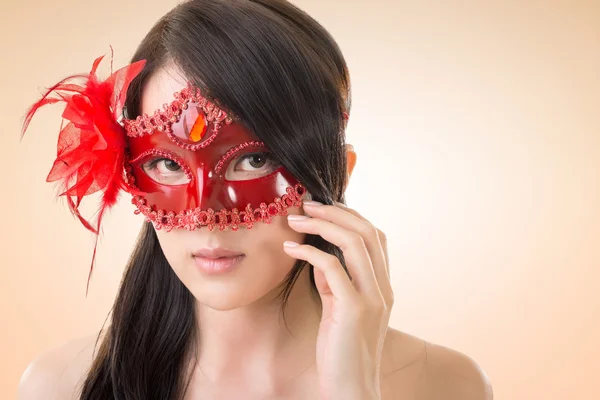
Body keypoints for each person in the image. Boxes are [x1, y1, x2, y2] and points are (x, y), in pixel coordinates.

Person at [17, 1, 492, 399]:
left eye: (255, 161)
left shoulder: (445, 386)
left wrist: (354, 390)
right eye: (167, 163)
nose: (207, 217)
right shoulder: (59, 386)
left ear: (337, 174)